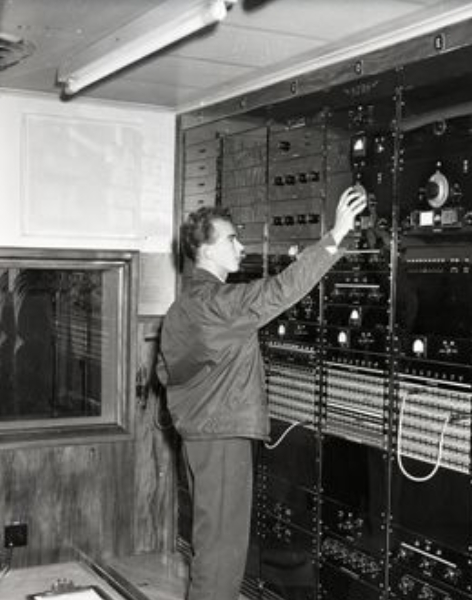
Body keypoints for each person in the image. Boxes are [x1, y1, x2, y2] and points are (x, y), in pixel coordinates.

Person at [156, 186, 367, 600]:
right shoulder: (219, 303)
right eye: (232, 238)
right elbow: (280, 290)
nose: (242, 245)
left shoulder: (181, 307)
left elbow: (166, 373)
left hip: (197, 438)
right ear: (207, 251)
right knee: (222, 556)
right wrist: (336, 235)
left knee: (209, 544)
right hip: (223, 439)